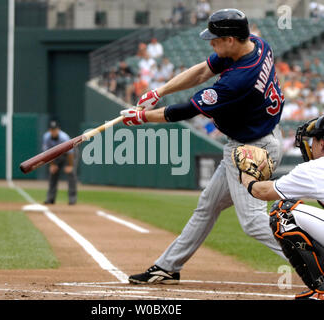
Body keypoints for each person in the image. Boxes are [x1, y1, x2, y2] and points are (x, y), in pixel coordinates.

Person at [121, 8, 287, 285]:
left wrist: (141, 117)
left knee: (254, 223)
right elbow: (202, 71)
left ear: (231, 39)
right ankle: (168, 266)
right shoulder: (257, 44)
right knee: (207, 206)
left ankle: (315, 260)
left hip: (251, 150)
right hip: (258, 138)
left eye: (215, 39)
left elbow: (184, 111)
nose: (211, 43)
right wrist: (159, 92)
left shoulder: (238, 80)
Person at [239, 115, 324, 300]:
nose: (309, 147)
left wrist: (247, 177)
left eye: (313, 141)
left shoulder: (317, 168)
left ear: (323, 144)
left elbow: (264, 192)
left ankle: (322, 289)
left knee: (283, 212)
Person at [42, 120, 78, 205]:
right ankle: (50, 198)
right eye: (52, 130)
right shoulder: (46, 137)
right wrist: (52, 165)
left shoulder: (64, 137)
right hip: (55, 155)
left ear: (58, 129)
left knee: (71, 174)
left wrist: (70, 165)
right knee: (53, 174)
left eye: (55, 129)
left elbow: (70, 153)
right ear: (49, 130)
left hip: (68, 155)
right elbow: (47, 153)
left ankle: (72, 199)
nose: (53, 131)